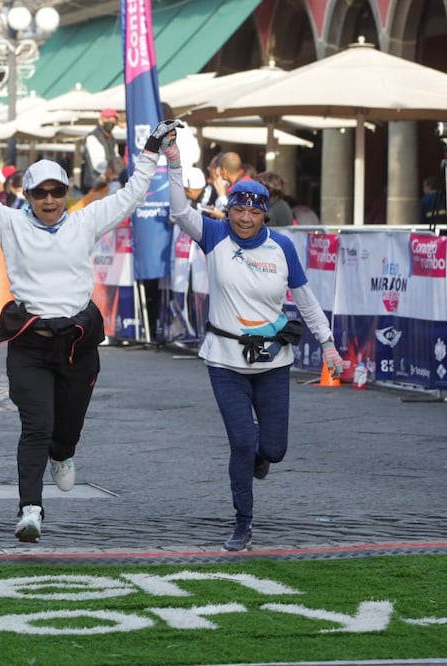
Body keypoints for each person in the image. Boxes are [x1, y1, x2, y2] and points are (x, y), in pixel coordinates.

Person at [0, 111, 173, 543]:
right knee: (37, 425)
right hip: (30, 344)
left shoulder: (85, 221)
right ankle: (30, 509)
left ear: (67, 193)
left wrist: (150, 151)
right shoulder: (9, 224)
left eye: (56, 192)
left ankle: (64, 452)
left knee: (65, 428)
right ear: (28, 195)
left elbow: (132, 195)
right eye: (40, 193)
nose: (49, 200)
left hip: (77, 344)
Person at [158, 121, 345, 552]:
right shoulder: (214, 235)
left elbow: (306, 301)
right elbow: (180, 212)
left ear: (265, 213)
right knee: (243, 442)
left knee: (272, 450)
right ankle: (242, 523)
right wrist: (174, 163)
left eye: (253, 212)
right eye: (237, 210)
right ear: (228, 211)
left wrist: (329, 345)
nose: (244, 218)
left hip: (273, 361)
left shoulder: (282, 247)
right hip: (225, 360)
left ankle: (261, 458)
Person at [81, 108, 121, 194]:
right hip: (95, 184)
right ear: (101, 120)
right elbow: (98, 163)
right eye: (109, 120)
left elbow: (116, 158)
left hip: (108, 182)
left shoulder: (112, 138)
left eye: (113, 121)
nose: (111, 123)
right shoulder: (93, 137)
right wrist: (112, 173)